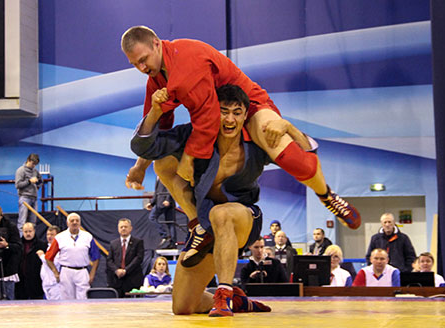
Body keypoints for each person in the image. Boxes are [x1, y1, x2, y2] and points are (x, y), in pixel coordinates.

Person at [122, 26, 361, 233]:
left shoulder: (186, 63)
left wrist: (189, 159)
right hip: (216, 124)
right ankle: (198, 226)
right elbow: (155, 128)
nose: (142, 67)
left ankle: (326, 195)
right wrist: (139, 167)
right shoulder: (156, 78)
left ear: (156, 43)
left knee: (294, 158)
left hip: (247, 107)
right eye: (135, 64)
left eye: (143, 59)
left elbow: (206, 119)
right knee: (162, 165)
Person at [131, 84, 289, 316]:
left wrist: (286, 126)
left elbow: (305, 152)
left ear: (245, 115)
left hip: (243, 218)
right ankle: (236, 299)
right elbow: (146, 146)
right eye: (224, 111)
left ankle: (224, 293)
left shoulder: (256, 142)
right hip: (208, 220)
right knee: (183, 307)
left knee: (221, 213)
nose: (230, 119)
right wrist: (155, 113)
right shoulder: (195, 135)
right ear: (214, 111)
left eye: (237, 112)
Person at [44, 213, 100, 300]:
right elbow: (48, 257)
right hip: (66, 272)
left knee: (84, 299)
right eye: (72, 221)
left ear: (80, 223)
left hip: (82, 272)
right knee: (67, 301)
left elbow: (96, 257)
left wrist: (92, 274)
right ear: (67, 223)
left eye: (77, 221)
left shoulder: (87, 236)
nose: (74, 222)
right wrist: (55, 271)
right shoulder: (60, 237)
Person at [106, 218, 145, 297]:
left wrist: (125, 270)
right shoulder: (113, 243)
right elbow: (109, 260)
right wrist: (116, 270)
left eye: (125, 227)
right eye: (121, 227)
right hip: (116, 280)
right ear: (118, 229)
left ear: (130, 228)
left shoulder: (138, 242)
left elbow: (139, 258)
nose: (123, 228)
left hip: (132, 279)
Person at [15, 222, 46, 299]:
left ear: (34, 231)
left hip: (36, 280)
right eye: (26, 231)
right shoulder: (18, 245)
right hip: (21, 281)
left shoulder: (42, 245)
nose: (28, 234)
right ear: (22, 232)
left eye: (30, 231)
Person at [15, 153, 43, 235]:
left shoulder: (35, 171)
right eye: (33, 163)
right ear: (28, 160)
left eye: (35, 164)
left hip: (34, 198)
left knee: (33, 223)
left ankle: (32, 241)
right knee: (22, 222)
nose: (34, 166)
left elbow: (41, 181)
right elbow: (18, 185)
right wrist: (29, 181)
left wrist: (38, 185)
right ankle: (21, 241)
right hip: (24, 198)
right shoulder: (20, 170)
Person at [145, 177, 176, 249]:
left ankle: (167, 238)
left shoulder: (165, 173)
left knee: (153, 217)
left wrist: (168, 199)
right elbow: (157, 191)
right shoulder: (157, 177)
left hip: (165, 202)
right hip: (161, 201)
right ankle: (169, 240)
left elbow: (170, 186)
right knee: (170, 223)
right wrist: (152, 203)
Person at [37, 225, 61, 300]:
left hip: (55, 283)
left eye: (52, 234)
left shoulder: (60, 248)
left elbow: (54, 261)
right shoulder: (48, 247)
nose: (49, 237)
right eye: (48, 234)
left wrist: (42, 256)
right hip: (46, 282)